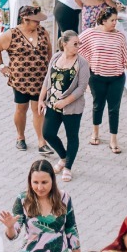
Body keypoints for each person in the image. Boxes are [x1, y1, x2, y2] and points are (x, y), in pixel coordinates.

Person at [0, 159, 81, 252]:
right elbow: (13, 235)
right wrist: (10, 227)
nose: (40, 188)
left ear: (52, 180)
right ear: (30, 181)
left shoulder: (64, 198)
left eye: (44, 182)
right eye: (35, 182)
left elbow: (72, 231)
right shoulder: (23, 199)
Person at [0, 5, 53, 154]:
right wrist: (1, 66)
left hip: (40, 79)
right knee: (21, 108)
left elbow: (49, 50)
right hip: (21, 81)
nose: (38, 24)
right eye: (35, 21)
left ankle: (41, 141)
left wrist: (51, 68)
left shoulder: (43, 32)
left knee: (38, 109)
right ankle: (20, 136)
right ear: (25, 19)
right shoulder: (11, 35)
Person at [78, 6, 127, 155]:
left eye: (116, 20)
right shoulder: (91, 33)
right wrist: (85, 64)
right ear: (103, 21)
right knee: (98, 105)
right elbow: (76, 46)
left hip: (117, 78)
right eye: (112, 20)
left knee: (114, 109)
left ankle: (113, 139)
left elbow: (126, 56)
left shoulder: (120, 36)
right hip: (97, 78)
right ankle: (95, 133)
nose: (114, 23)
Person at [40, 30, 88, 183]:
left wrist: (65, 102)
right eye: (75, 43)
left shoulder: (82, 63)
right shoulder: (55, 57)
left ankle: (68, 167)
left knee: (72, 137)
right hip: (53, 104)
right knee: (47, 133)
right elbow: (47, 80)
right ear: (64, 44)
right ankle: (63, 156)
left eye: (78, 43)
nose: (78, 46)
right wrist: (41, 99)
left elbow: (82, 88)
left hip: (71, 108)